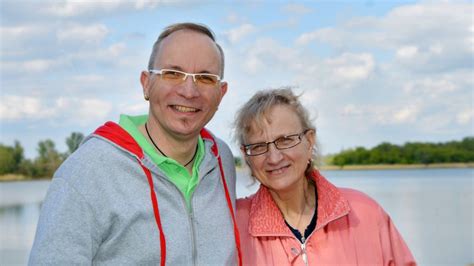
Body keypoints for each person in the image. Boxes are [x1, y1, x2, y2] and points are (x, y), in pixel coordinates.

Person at [29, 22, 241, 265]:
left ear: (221, 93)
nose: (189, 90)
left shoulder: (220, 158)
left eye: (205, 78)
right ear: (146, 83)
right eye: (173, 73)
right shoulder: (88, 172)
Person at [234, 88, 416, 265]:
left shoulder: (364, 211)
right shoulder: (233, 224)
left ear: (310, 140)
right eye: (258, 146)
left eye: (285, 140)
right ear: (246, 155)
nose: (274, 158)